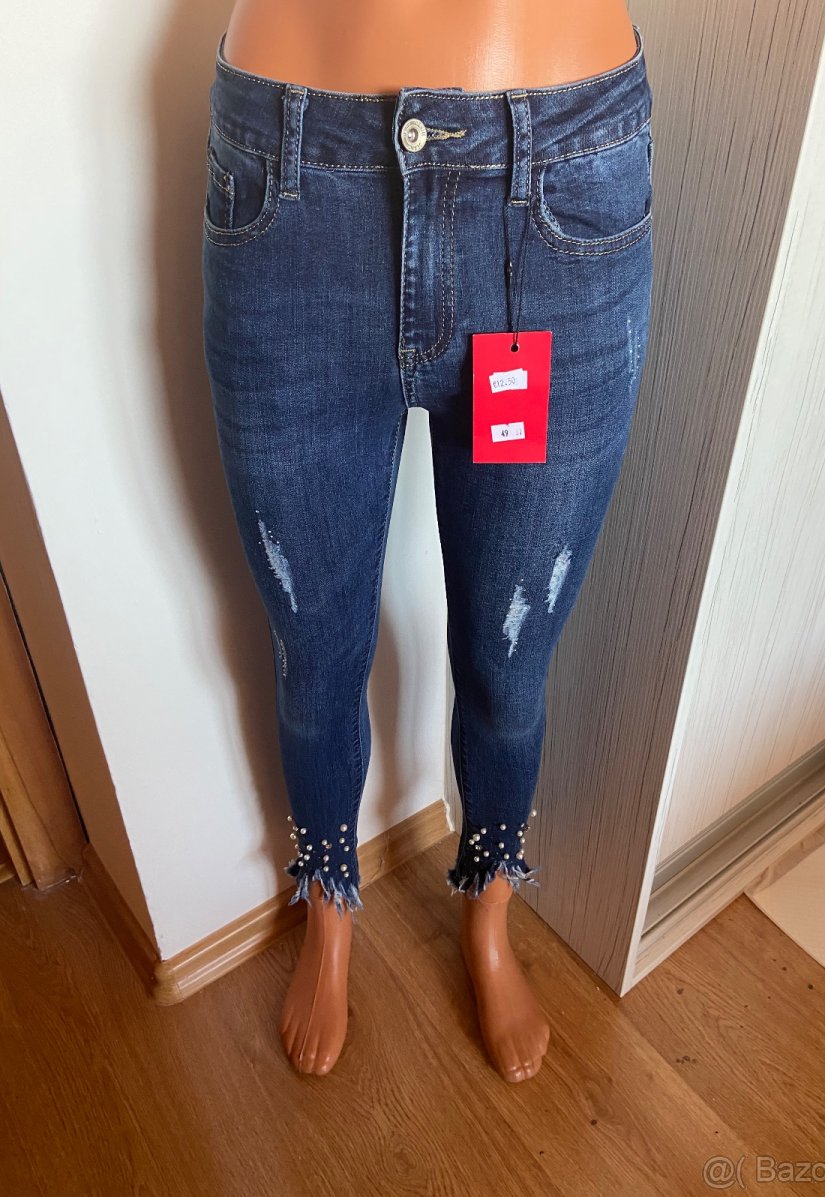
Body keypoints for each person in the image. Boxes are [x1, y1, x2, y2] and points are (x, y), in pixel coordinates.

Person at [202, 0, 654, 1083]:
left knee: (510, 661)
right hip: (291, 186)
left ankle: (489, 912)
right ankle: (329, 909)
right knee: (314, 657)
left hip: (554, 191)